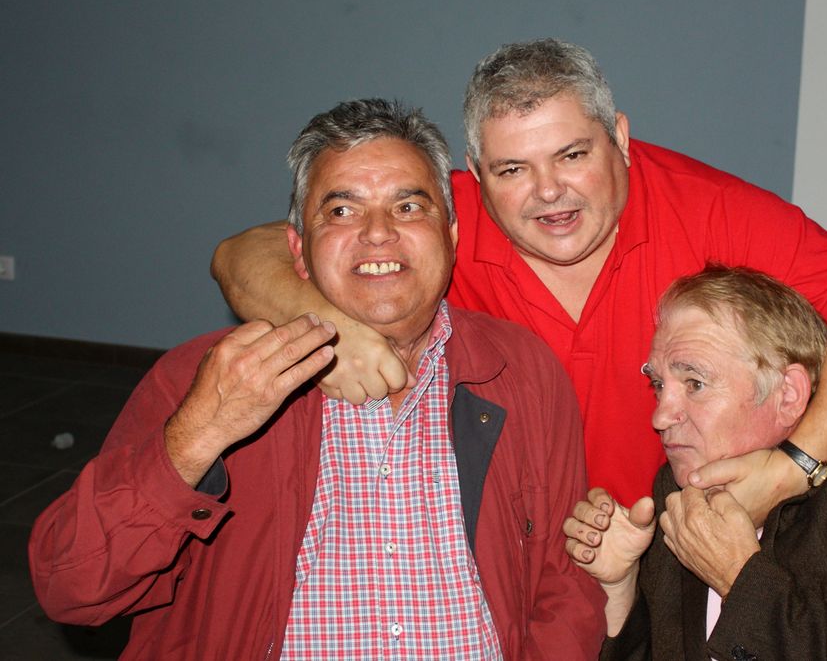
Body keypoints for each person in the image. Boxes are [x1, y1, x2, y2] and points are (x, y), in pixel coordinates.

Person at [210, 38, 827, 516]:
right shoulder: (444, 222)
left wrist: (791, 468)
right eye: (512, 169)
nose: (548, 192)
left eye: (572, 155)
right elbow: (245, 253)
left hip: (676, 539)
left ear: (619, 138)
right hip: (501, 548)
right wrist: (330, 330)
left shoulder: (706, 207)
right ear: (476, 175)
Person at [29, 99, 605, 660]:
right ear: (298, 250)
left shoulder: (519, 371)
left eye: (408, 207)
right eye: (342, 211)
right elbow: (73, 589)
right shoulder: (204, 378)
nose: (378, 233)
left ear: (452, 236)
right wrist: (198, 435)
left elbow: (563, 584)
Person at [563, 267, 827, 660]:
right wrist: (620, 588)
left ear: (787, 394)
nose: (660, 416)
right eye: (659, 384)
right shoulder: (678, 487)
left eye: (694, 382)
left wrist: (738, 578)